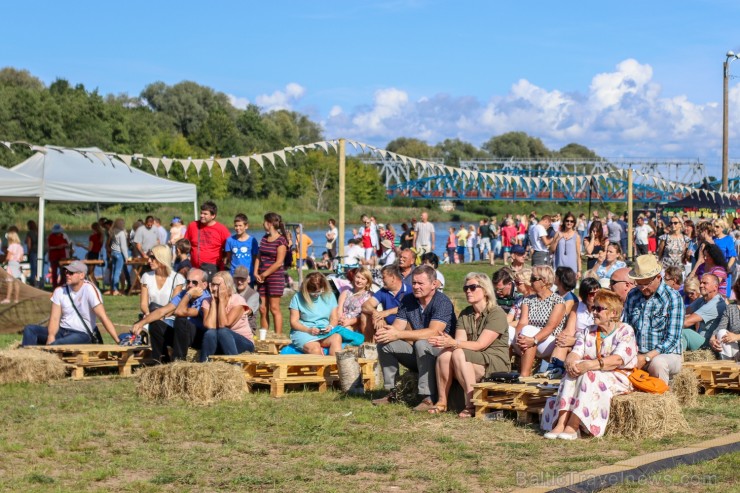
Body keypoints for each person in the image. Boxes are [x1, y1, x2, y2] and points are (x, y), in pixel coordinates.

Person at [541, 289, 638, 439]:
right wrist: (571, 362)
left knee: (588, 374)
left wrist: (589, 365)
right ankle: (561, 423)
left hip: (619, 376)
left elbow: (617, 360)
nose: (594, 312)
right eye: (594, 308)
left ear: (613, 313)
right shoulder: (589, 331)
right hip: (594, 372)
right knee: (573, 372)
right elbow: (575, 352)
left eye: (599, 309)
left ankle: (573, 426)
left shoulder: (625, 331)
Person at [372, 265, 456, 411]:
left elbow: (433, 332)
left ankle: (428, 397)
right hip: (419, 351)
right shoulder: (408, 299)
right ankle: (392, 392)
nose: (416, 287)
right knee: (385, 344)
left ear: (434, 284)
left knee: (422, 344)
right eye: (414, 283)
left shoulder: (442, 302)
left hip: (443, 355)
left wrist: (398, 334)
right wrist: (386, 332)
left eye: (420, 283)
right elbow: (398, 326)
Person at [429, 272, 510, 417]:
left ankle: (471, 404)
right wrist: (448, 342)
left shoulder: (497, 313)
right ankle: (442, 401)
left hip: (493, 360)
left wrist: (454, 342)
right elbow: (459, 342)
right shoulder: (465, 314)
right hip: (472, 357)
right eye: (465, 288)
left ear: (485, 290)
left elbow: (481, 345)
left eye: (472, 287)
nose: (468, 291)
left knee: (458, 352)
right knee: (445, 355)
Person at [22, 260, 120, 346]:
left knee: (57, 344)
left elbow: (103, 317)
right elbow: (55, 318)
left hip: (82, 334)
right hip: (62, 331)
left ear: (82, 275)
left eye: (71, 272)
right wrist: (51, 336)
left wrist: (118, 341)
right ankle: (27, 362)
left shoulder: (89, 289)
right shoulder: (59, 291)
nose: (67, 274)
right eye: (66, 271)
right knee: (29, 329)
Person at [623, 255, 683, 383]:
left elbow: (672, 339)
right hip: (638, 353)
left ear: (658, 278)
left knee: (658, 364)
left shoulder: (673, 297)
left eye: (646, 283)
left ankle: (662, 399)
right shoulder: (632, 295)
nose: (643, 288)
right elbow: (626, 329)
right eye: (639, 284)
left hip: (667, 354)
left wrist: (647, 357)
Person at [131, 268, 211, 363]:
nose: (190, 285)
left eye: (194, 282)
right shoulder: (184, 294)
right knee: (155, 325)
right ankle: (160, 362)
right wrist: (141, 323)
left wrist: (188, 294)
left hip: (199, 337)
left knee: (181, 321)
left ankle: (178, 362)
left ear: (204, 285)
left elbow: (180, 312)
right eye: (188, 281)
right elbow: (162, 311)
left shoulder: (205, 299)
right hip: (182, 335)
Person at [512, 265, 567, 376]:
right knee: (508, 331)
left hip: (549, 341)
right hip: (529, 339)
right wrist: (519, 339)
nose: (531, 281)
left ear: (544, 281)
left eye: (533, 279)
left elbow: (550, 327)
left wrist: (533, 340)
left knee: (527, 330)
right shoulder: (528, 300)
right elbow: (522, 322)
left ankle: (524, 375)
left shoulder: (558, 301)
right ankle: (504, 373)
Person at [547, 277, 602, 378]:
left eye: (598, 292)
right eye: (592, 294)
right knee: (561, 344)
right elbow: (569, 329)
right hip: (576, 341)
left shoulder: (602, 309)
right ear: (585, 295)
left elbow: (601, 334)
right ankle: (552, 373)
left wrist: (574, 341)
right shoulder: (577, 307)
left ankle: (557, 373)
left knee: (566, 344)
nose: (596, 296)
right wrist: (563, 337)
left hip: (593, 343)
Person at [200, 271, 255, 362]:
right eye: (212, 284)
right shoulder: (207, 301)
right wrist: (213, 303)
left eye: (218, 285)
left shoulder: (238, 300)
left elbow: (224, 324)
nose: (214, 288)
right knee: (210, 333)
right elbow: (209, 326)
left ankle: (234, 366)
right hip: (220, 341)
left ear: (228, 286)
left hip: (243, 343)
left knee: (223, 332)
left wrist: (221, 301)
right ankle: (203, 367)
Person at [289, 272, 343, 355]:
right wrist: (308, 330)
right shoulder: (297, 297)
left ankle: (335, 366)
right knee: (315, 348)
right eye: (312, 292)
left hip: (324, 332)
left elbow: (334, 318)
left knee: (337, 337)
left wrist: (330, 326)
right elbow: (294, 322)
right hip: (304, 331)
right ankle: (319, 367)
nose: (316, 295)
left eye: (319, 291)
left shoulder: (330, 295)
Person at [254, 212, 289, 335]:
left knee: (274, 308)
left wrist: (264, 274)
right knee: (263, 309)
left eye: (264, 222)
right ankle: (265, 336)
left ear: (269, 223)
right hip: (261, 278)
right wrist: (256, 272)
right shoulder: (264, 238)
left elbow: (279, 263)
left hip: (275, 278)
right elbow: (259, 255)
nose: (263, 224)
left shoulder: (281, 241)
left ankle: (278, 337)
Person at [361, 264, 411, 340]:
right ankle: (369, 346)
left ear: (393, 278)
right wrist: (376, 314)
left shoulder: (410, 291)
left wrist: (386, 313)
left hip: (405, 327)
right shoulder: (383, 291)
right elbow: (365, 305)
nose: (381, 280)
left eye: (383, 277)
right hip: (386, 325)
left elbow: (409, 308)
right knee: (365, 315)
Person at [184, 201, 231, 278]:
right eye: (201, 213)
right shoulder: (193, 226)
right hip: (194, 270)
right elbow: (185, 245)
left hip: (213, 270)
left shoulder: (221, 229)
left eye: (205, 214)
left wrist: (225, 258)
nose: (202, 216)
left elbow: (229, 248)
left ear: (213, 215)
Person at [139, 245, 185, 321]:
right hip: (148, 317)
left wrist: (160, 317)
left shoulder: (177, 279)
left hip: (168, 319)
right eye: (149, 257)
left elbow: (173, 307)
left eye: (153, 258)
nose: (149, 261)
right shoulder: (146, 277)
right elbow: (143, 304)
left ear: (162, 259)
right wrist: (148, 315)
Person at [682, 274, 726, 351]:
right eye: (701, 282)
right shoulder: (703, 299)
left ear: (715, 287)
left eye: (705, 283)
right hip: (700, 338)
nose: (701, 285)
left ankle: (677, 359)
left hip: (708, 344)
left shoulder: (715, 304)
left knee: (684, 333)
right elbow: (684, 312)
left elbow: (686, 322)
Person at [710, 280, 740, 360]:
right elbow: (720, 327)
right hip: (735, 349)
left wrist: (737, 337)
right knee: (722, 333)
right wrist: (712, 339)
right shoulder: (731, 308)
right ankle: (729, 367)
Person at [337, 267, 373, 333]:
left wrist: (350, 321)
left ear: (367, 282)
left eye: (363, 279)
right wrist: (341, 320)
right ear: (354, 277)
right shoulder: (345, 293)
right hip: (342, 322)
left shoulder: (370, 296)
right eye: (358, 277)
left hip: (358, 325)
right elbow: (339, 311)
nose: (359, 281)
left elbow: (368, 317)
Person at [224, 213, 259, 280]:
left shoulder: (252, 240)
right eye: (236, 226)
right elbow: (229, 257)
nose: (237, 228)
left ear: (246, 226)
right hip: (234, 273)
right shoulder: (229, 240)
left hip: (248, 273)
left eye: (240, 226)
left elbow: (255, 258)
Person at [105, 218, 130, 296]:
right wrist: (126, 257)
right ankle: (115, 290)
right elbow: (123, 247)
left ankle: (113, 289)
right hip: (119, 253)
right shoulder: (121, 233)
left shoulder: (113, 231)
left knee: (114, 272)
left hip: (113, 253)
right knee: (117, 272)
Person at [232, 266, 260, 333]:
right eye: (237, 279)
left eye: (242, 279)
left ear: (248, 279)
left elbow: (246, 312)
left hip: (247, 329)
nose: (239, 282)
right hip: (230, 326)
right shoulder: (230, 292)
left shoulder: (254, 294)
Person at [2, 231, 24, 304]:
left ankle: (8, 298)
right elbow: (21, 258)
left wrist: (4, 262)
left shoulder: (11, 246)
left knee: (9, 282)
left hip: (11, 265)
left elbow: (8, 257)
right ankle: (16, 299)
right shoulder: (20, 247)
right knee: (16, 282)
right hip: (17, 264)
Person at [25, 220, 38, 286]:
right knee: (38, 268)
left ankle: (32, 282)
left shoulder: (30, 233)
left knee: (33, 268)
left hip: (33, 252)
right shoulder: (39, 232)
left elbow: (29, 244)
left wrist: (28, 253)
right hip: (40, 252)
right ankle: (39, 282)